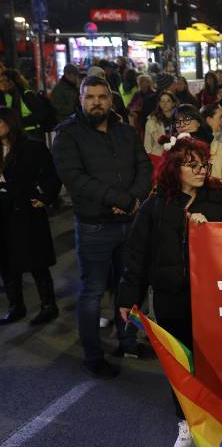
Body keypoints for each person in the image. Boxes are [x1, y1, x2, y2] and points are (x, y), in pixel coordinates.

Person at [117, 134, 222, 447]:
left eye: (204, 165)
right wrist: (129, 297)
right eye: (192, 165)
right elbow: (137, 255)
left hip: (212, 298)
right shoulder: (155, 207)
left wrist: (210, 227)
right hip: (171, 297)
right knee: (180, 365)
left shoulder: (219, 201)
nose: (200, 171)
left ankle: (218, 427)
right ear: (174, 169)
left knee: (212, 364)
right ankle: (186, 425)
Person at [52, 76, 154, 378]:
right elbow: (75, 179)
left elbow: (144, 165)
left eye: (102, 96)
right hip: (95, 225)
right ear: (80, 100)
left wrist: (134, 198)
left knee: (128, 288)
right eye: (90, 97)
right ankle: (93, 355)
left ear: (111, 99)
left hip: (129, 221)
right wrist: (120, 198)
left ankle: (128, 342)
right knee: (93, 291)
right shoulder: (67, 135)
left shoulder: (124, 131)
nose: (96, 102)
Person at [0, 107, 61, 326]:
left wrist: (45, 197)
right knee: (6, 263)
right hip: (3, 213)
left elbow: (50, 175)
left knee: (36, 261)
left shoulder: (32, 147)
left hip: (26, 211)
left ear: (10, 123)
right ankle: (16, 306)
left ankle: (48, 305)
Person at [174, 106, 222, 219]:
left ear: (198, 121)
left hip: (215, 214)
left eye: (187, 119)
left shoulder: (221, 149)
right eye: (177, 121)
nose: (182, 125)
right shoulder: (172, 150)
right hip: (180, 214)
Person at [0, 69, 55, 140]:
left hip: (33, 134)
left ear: (11, 81)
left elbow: (41, 114)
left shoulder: (27, 95)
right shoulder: (7, 97)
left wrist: (20, 121)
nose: (0, 83)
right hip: (17, 134)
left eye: (2, 81)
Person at [145, 91, 178, 156]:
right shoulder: (152, 121)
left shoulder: (180, 119)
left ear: (173, 103)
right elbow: (147, 144)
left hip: (177, 154)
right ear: (159, 103)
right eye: (162, 101)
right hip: (159, 156)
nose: (164, 104)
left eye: (168, 101)